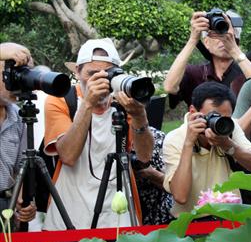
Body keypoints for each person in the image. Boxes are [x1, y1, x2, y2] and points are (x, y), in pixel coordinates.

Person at [42, 38, 154, 230]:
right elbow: (68, 156)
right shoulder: (60, 100)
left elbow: (145, 156)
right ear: (77, 72)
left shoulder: (124, 102)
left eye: (107, 74)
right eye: (92, 74)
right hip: (69, 213)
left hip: (118, 211)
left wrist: (139, 115)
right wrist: (87, 103)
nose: (100, 80)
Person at [163, 82, 251, 216]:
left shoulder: (229, 127)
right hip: (192, 223)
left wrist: (228, 145)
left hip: (229, 217)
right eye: (213, 117)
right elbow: (180, 196)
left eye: (225, 118)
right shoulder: (175, 138)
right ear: (193, 112)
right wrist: (188, 143)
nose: (219, 123)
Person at [163, 10, 251, 109]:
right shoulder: (195, 74)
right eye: (217, 35)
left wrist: (234, 49)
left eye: (227, 35)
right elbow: (169, 87)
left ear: (237, 41)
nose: (222, 40)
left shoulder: (247, 71)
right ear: (206, 42)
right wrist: (193, 39)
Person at [0, 42, 37, 224]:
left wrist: (25, 203)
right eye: (14, 72)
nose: (21, 81)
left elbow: (19, 168)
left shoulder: (18, 117)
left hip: (5, 206)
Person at [135, 127, 174, 225]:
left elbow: (176, 187)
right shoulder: (111, 139)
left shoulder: (157, 138)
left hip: (158, 209)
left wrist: (151, 174)